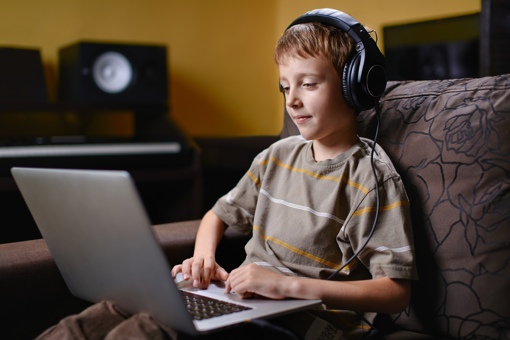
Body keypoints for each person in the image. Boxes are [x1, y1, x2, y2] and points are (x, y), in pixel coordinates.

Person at [172, 8, 418, 339]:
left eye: (309, 84)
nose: (293, 101)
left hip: (310, 325)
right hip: (247, 307)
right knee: (130, 312)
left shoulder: (371, 180)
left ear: (353, 87)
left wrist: (288, 286)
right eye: (285, 87)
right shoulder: (276, 157)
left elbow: (395, 292)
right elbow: (217, 216)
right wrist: (203, 259)